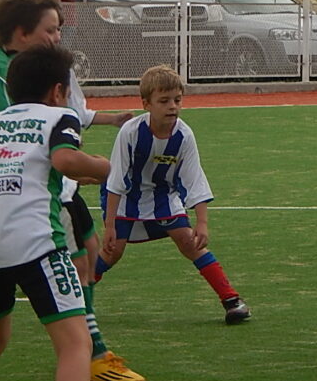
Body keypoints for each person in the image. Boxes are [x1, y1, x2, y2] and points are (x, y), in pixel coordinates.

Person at [0, 0, 145, 381]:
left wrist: (106, 123)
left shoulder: (46, 68)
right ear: (22, 33)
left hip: (44, 192)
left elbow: (72, 115)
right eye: (50, 29)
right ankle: (95, 354)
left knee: (89, 255)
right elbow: (23, 134)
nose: (57, 37)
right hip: (36, 201)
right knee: (72, 299)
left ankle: (93, 350)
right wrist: (102, 169)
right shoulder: (0, 75)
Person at [0, 44, 111, 381]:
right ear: (58, 91)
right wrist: (105, 168)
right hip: (35, 241)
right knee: (75, 341)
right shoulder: (57, 117)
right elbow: (66, 159)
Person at [94, 65, 251, 325]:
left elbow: (194, 179)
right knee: (112, 252)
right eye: (164, 101)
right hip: (127, 199)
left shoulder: (184, 136)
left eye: (177, 100)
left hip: (164, 197)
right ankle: (76, 302)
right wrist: (109, 225)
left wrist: (201, 222)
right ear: (146, 104)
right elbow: (116, 180)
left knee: (189, 242)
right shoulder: (130, 133)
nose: (172, 107)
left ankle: (232, 300)